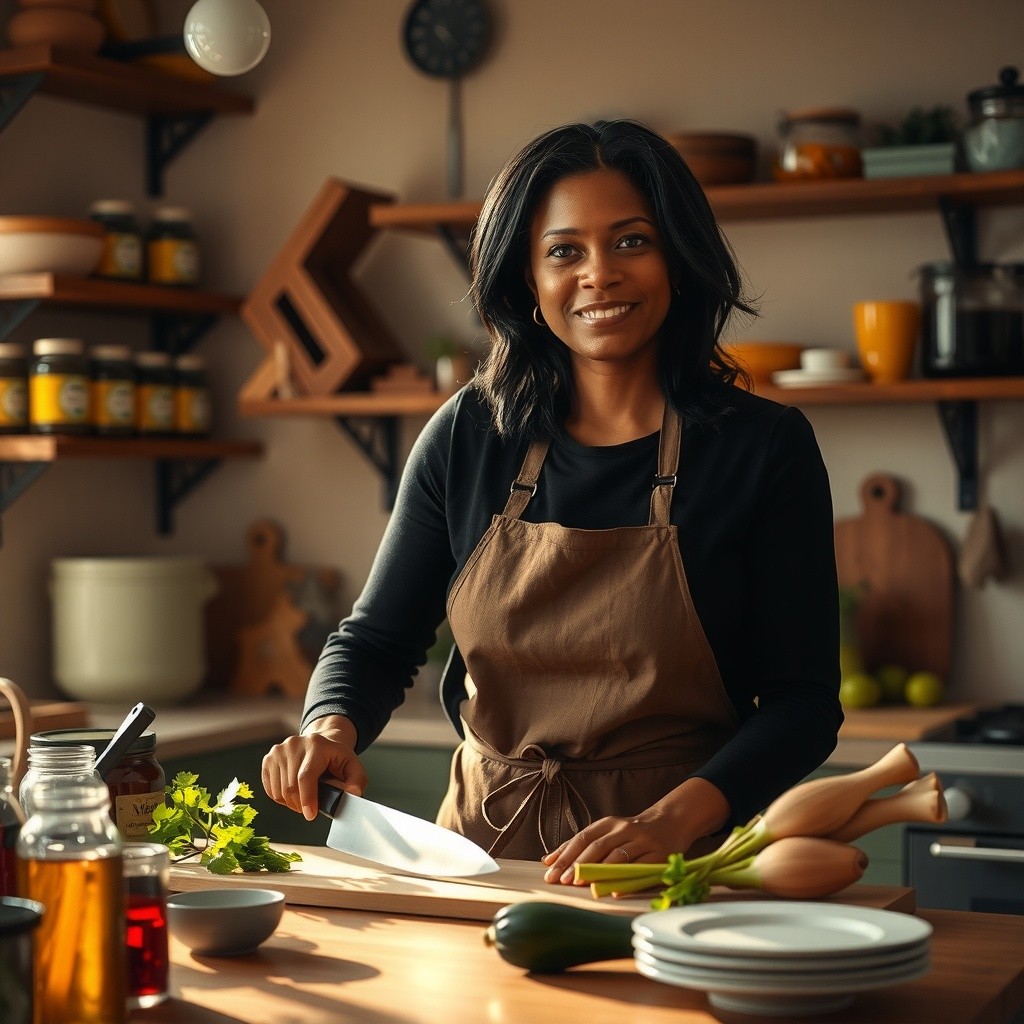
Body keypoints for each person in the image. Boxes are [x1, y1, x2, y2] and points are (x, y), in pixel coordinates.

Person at [262, 119, 843, 884]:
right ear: (528, 280)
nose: (599, 274)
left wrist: (670, 820)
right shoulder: (470, 434)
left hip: (667, 864)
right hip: (477, 859)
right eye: (564, 251)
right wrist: (328, 725)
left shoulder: (763, 448)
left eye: (632, 241)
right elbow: (375, 642)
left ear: (678, 257)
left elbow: (803, 703)